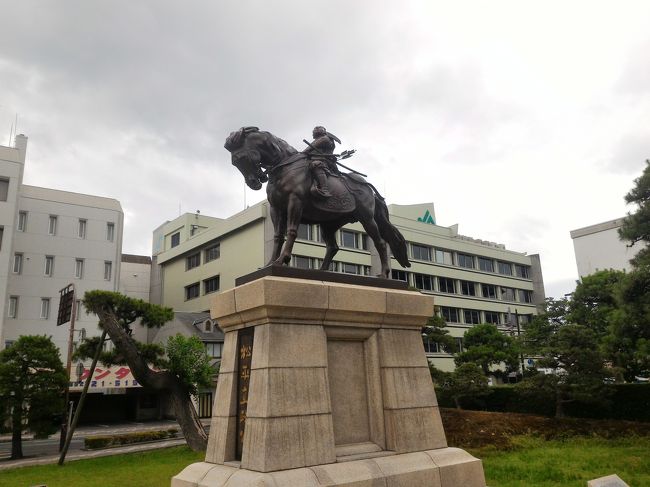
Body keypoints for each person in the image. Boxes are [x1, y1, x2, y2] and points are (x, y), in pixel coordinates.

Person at [303, 126, 339, 198]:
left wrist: (301, 153)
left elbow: (308, 149)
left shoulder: (324, 139)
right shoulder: (318, 139)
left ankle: (324, 189)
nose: (313, 132)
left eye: (315, 130)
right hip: (314, 159)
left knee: (316, 165)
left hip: (323, 161)